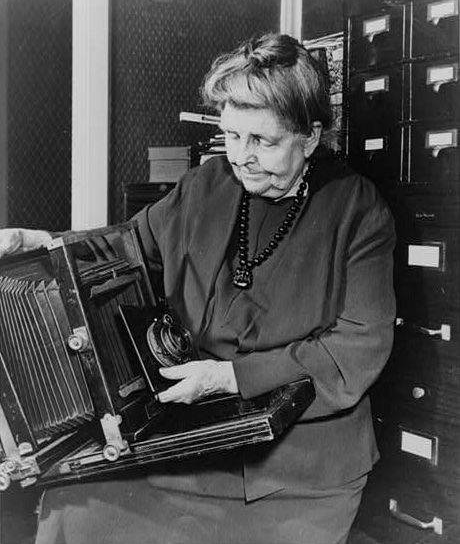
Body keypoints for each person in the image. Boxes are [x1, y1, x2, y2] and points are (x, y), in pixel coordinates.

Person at [0, 33, 395, 544]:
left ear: (311, 137)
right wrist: (44, 242)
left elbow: (357, 350)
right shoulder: (207, 184)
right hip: (198, 442)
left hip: (300, 468)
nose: (242, 157)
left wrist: (230, 378)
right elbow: (128, 246)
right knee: (70, 509)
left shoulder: (359, 211)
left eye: (263, 141)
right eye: (232, 136)